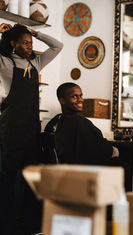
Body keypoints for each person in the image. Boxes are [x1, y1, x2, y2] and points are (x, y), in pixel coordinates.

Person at [0, 23, 63, 234]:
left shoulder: (35, 64)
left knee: (30, 178)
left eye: (31, 43)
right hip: (10, 130)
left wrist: (36, 32)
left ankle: (28, 225)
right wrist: (1, 33)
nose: (29, 46)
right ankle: (7, 226)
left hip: (30, 130)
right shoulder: (5, 63)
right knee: (8, 180)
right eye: (25, 43)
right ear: (13, 44)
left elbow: (57, 46)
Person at [53, 82, 119, 165]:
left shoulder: (59, 121)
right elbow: (102, 149)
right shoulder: (80, 123)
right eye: (74, 96)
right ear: (62, 100)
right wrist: (114, 150)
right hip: (84, 170)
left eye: (81, 96)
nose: (81, 99)